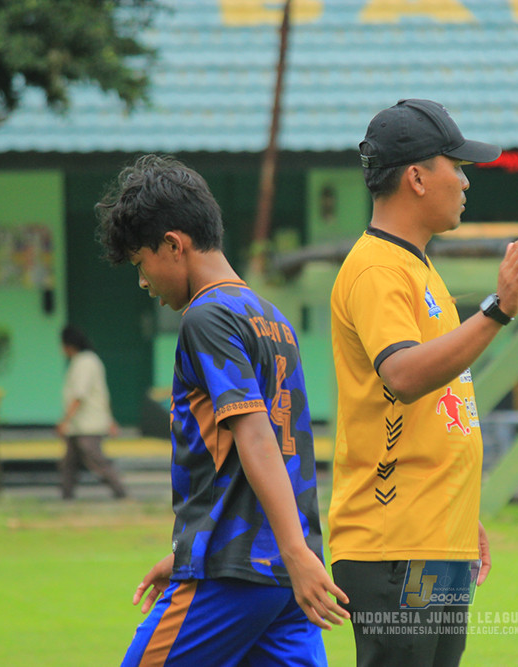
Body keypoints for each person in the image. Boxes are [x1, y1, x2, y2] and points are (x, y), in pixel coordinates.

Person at [95, 154, 348, 666]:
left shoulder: (205, 317)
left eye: (142, 265)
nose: (143, 284)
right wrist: (289, 552)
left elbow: (255, 437)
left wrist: (228, 554)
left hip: (239, 571)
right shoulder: (269, 316)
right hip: (281, 575)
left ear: (173, 244)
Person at [328, 99, 518, 666]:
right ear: (417, 178)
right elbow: (401, 375)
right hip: (393, 542)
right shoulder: (377, 269)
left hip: (432, 535)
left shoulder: (417, 267)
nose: (466, 180)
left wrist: (458, 509)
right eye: (457, 164)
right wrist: (496, 310)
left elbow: (437, 408)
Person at [55, 324, 127, 500]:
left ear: (68, 345)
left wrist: (65, 420)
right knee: (68, 464)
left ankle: (121, 493)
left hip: (88, 424)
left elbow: (80, 395)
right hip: (79, 425)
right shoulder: (83, 361)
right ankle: (66, 496)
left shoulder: (85, 362)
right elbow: (102, 394)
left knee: (97, 461)